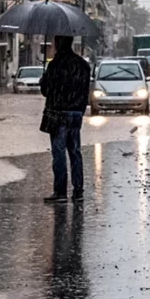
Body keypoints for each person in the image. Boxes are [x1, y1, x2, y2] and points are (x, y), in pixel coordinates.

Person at [40, 35, 91, 203]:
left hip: (58, 114)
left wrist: (44, 80)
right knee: (75, 152)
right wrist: (79, 111)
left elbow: (47, 91)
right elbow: (85, 92)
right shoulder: (83, 65)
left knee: (59, 152)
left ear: (58, 44)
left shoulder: (55, 65)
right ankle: (78, 191)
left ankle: (60, 191)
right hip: (76, 113)